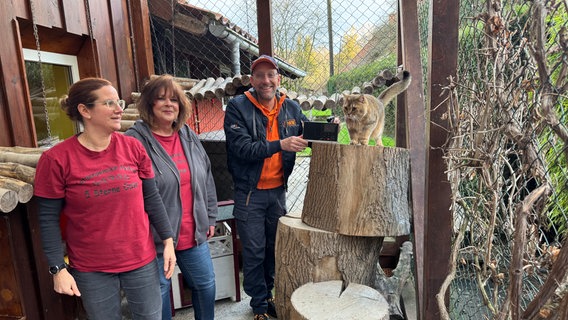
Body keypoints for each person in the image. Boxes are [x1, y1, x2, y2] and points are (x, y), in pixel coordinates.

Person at [34, 78, 176, 320]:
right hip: (92, 268)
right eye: (109, 103)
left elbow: (152, 199)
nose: (119, 109)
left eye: (118, 101)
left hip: (140, 259)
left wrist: (168, 241)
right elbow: (47, 220)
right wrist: (58, 269)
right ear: (85, 111)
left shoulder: (133, 148)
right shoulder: (56, 159)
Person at [125, 74, 218, 320]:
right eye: (161, 99)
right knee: (160, 294)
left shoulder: (187, 134)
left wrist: (209, 217)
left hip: (193, 232)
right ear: (149, 105)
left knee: (206, 286)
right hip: (154, 238)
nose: (169, 104)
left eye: (174, 100)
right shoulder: (134, 141)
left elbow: (206, 176)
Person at [223, 55, 309, 320]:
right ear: (252, 80)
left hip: (277, 192)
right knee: (254, 250)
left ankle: (268, 294)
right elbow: (242, 148)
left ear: (278, 79)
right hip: (250, 194)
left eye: (270, 74)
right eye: (260, 75)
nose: (266, 80)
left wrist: (327, 130)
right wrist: (279, 144)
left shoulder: (291, 108)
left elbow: (309, 135)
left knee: (273, 248)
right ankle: (258, 305)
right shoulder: (238, 107)